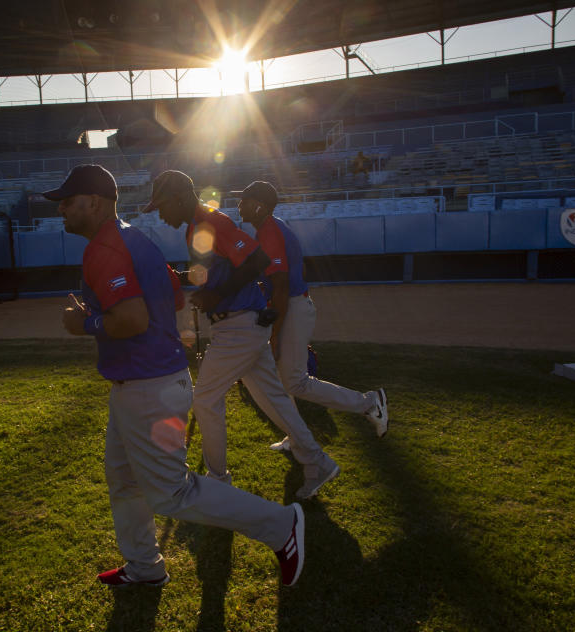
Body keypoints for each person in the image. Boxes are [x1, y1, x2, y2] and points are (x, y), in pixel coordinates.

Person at [45, 164, 306, 588]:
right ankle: (145, 566)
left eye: (68, 203)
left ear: (94, 203)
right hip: (150, 381)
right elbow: (169, 295)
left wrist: (86, 323)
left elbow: (130, 318)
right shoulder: (135, 239)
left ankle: (280, 525)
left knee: (173, 492)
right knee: (124, 477)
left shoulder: (105, 248)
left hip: (147, 387)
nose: (62, 211)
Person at [143, 170, 339, 500]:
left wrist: (217, 297)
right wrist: (179, 276)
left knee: (204, 400)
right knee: (275, 400)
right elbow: (219, 270)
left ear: (179, 199)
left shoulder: (211, 220)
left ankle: (217, 482)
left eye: (162, 206)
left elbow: (256, 260)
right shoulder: (196, 225)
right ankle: (317, 462)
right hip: (238, 325)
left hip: (238, 326)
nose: (161, 214)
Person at [236, 181, 388, 451]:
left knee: (295, 381)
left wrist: (274, 332)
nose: (239, 205)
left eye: (244, 199)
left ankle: (369, 403)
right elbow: (298, 270)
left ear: (258, 205)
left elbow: (282, 287)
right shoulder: (271, 227)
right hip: (292, 305)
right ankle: (295, 437)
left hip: (291, 306)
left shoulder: (270, 231)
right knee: (280, 378)